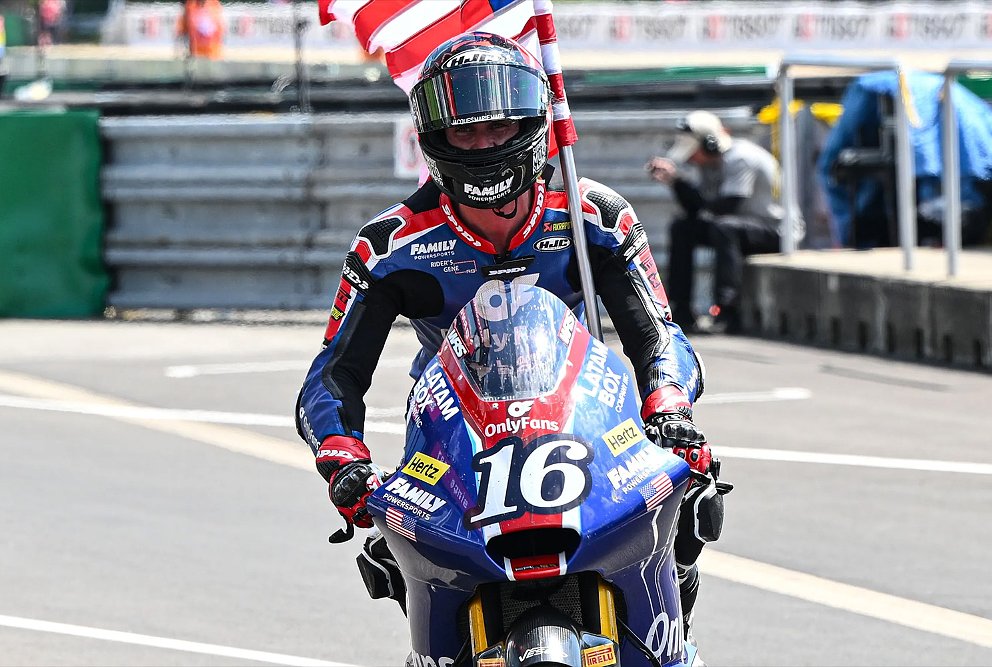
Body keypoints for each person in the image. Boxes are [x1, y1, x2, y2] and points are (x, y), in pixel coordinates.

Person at [295, 32, 727, 648]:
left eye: (499, 128)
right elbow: (332, 376)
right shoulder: (388, 247)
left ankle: (668, 612)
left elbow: (660, 333)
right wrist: (343, 458)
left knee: (689, 494)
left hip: (584, 425)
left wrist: (670, 408)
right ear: (433, 140)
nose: (483, 145)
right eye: (464, 133)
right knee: (392, 543)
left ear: (532, 126)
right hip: (449, 445)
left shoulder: (595, 219)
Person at [647, 110, 795, 334]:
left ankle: (727, 311)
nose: (690, 159)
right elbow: (698, 210)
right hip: (738, 227)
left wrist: (683, 184)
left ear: (710, 144)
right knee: (682, 228)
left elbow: (725, 208)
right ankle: (681, 309)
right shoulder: (709, 164)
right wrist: (676, 182)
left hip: (776, 230)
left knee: (724, 228)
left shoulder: (741, 158)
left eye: (693, 152)